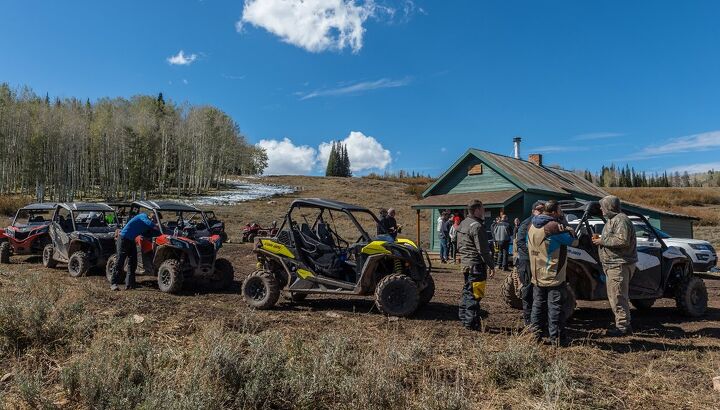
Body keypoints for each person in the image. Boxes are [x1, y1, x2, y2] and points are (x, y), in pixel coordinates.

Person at [528, 200, 577, 346]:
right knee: (555, 308)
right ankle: (557, 339)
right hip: (553, 274)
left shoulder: (532, 225)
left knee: (537, 306)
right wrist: (569, 229)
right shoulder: (553, 227)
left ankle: (535, 336)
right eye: (560, 210)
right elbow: (573, 241)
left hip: (536, 273)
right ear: (555, 212)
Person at [592, 195, 638, 337]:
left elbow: (622, 240)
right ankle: (624, 324)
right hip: (614, 265)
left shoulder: (621, 220)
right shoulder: (613, 220)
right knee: (615, 296)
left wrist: (602, 241)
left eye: (602, 206)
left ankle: (622, 327)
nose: (601, 209)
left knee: (618, 296)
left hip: (619, 265)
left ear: (609, 206)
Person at [457, 200, 495, 330]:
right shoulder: (477, 226)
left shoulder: (463, 224)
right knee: (475, 294)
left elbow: (458, 245)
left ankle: (464, 318)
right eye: (483, 209)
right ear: (477, 210)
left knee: (467, 292)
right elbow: (483, 250)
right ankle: (472, 323)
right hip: (476, 265)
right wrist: (491, 265)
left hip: (466, 264)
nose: (484, 211)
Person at [514, 201, 545, 326]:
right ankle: (528, 321)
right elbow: (520, 242)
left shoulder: (545, 224)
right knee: (527, 290)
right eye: (539, 209)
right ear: (533, 211)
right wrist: (533, 253)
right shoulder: (526, 223)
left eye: (543, 209)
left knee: (540, 290)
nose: (541, 212)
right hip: (526, 260)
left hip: (540, 261)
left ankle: (538, 319)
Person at [111, 212, 160, 291]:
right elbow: (148, 223)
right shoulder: (143, 216)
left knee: (133, 262)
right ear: (151, 217)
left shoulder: (147, 225)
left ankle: (130, 284)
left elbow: (147, 234)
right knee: (120, 261)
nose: (155, 221)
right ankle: (113, 283)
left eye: (156, 220)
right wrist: (156, 226)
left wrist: (160, 232)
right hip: (123, 238)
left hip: (131, 240)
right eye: (154, 219)